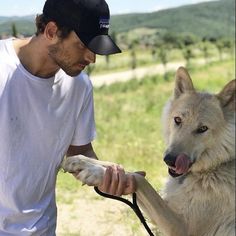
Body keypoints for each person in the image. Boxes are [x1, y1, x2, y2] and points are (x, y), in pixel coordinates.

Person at [0, 0, 139, 235]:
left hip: (40, 228)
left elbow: (79, 153)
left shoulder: (80, 87)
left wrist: (110, 175)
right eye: (83, 45)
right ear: (52, 31)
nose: (92, 58)